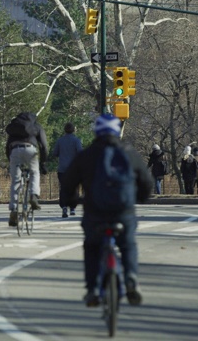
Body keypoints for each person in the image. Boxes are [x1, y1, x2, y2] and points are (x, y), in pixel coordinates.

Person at [60, 114, 153, 307]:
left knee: (92, 247)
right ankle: (131, 279)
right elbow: (146, 181)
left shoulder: (86, 155)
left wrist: (71, 201)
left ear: (97, 131)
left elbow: (68, 184)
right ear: (116, 132)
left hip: (95, 213)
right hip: (123, 212)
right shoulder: (129, 152)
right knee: (128, 245)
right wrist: (140, 198)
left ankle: (93, 289)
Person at [5, 112, 48, 226]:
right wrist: (43, 162)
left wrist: (11, 160)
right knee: (35, 173)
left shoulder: (15, 127)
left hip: (15, 150)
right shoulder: (36, 126)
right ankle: (33, 195)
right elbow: (43, 146)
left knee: (15, 180)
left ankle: (14, 210)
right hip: (31, 150)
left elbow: (7, 145)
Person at [53, 122, 83, 218]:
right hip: (74, 168)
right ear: (74, 130)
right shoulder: (76, 140)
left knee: (63, 188)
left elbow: (55, 153)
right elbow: (80, 152)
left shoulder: (60, 140)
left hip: (62, 168)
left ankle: (64, 206)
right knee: (74, 188)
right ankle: (73, 208)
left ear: (64, 130)